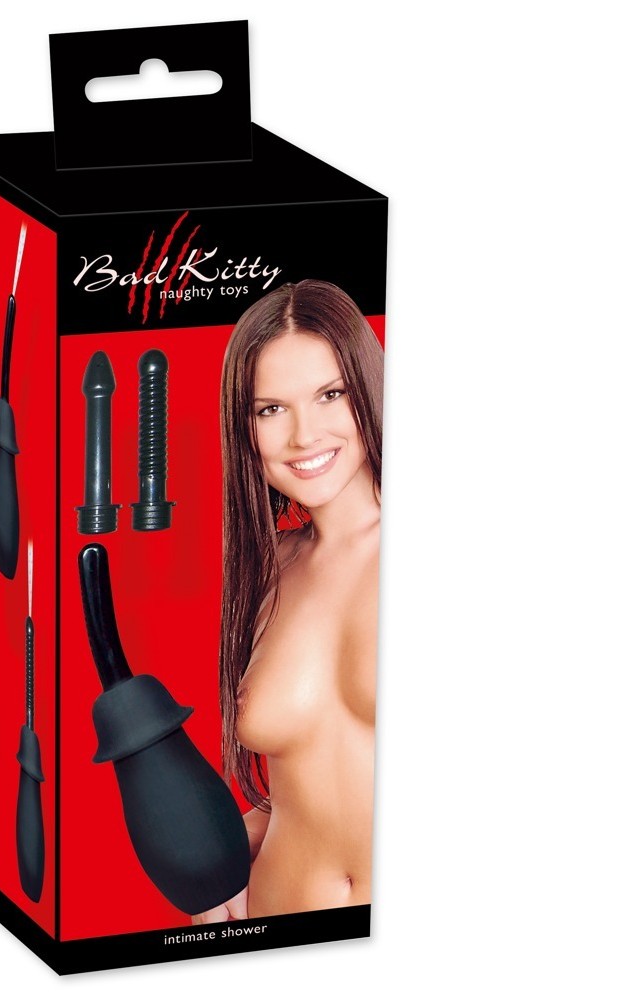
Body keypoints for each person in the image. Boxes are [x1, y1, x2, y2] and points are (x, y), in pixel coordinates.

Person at [196, 279, 384, 922]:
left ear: (369, 388)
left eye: (331, 394)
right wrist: (221, 867)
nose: (304, 435)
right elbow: (303, 790)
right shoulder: (271, 569)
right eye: (271, 409)